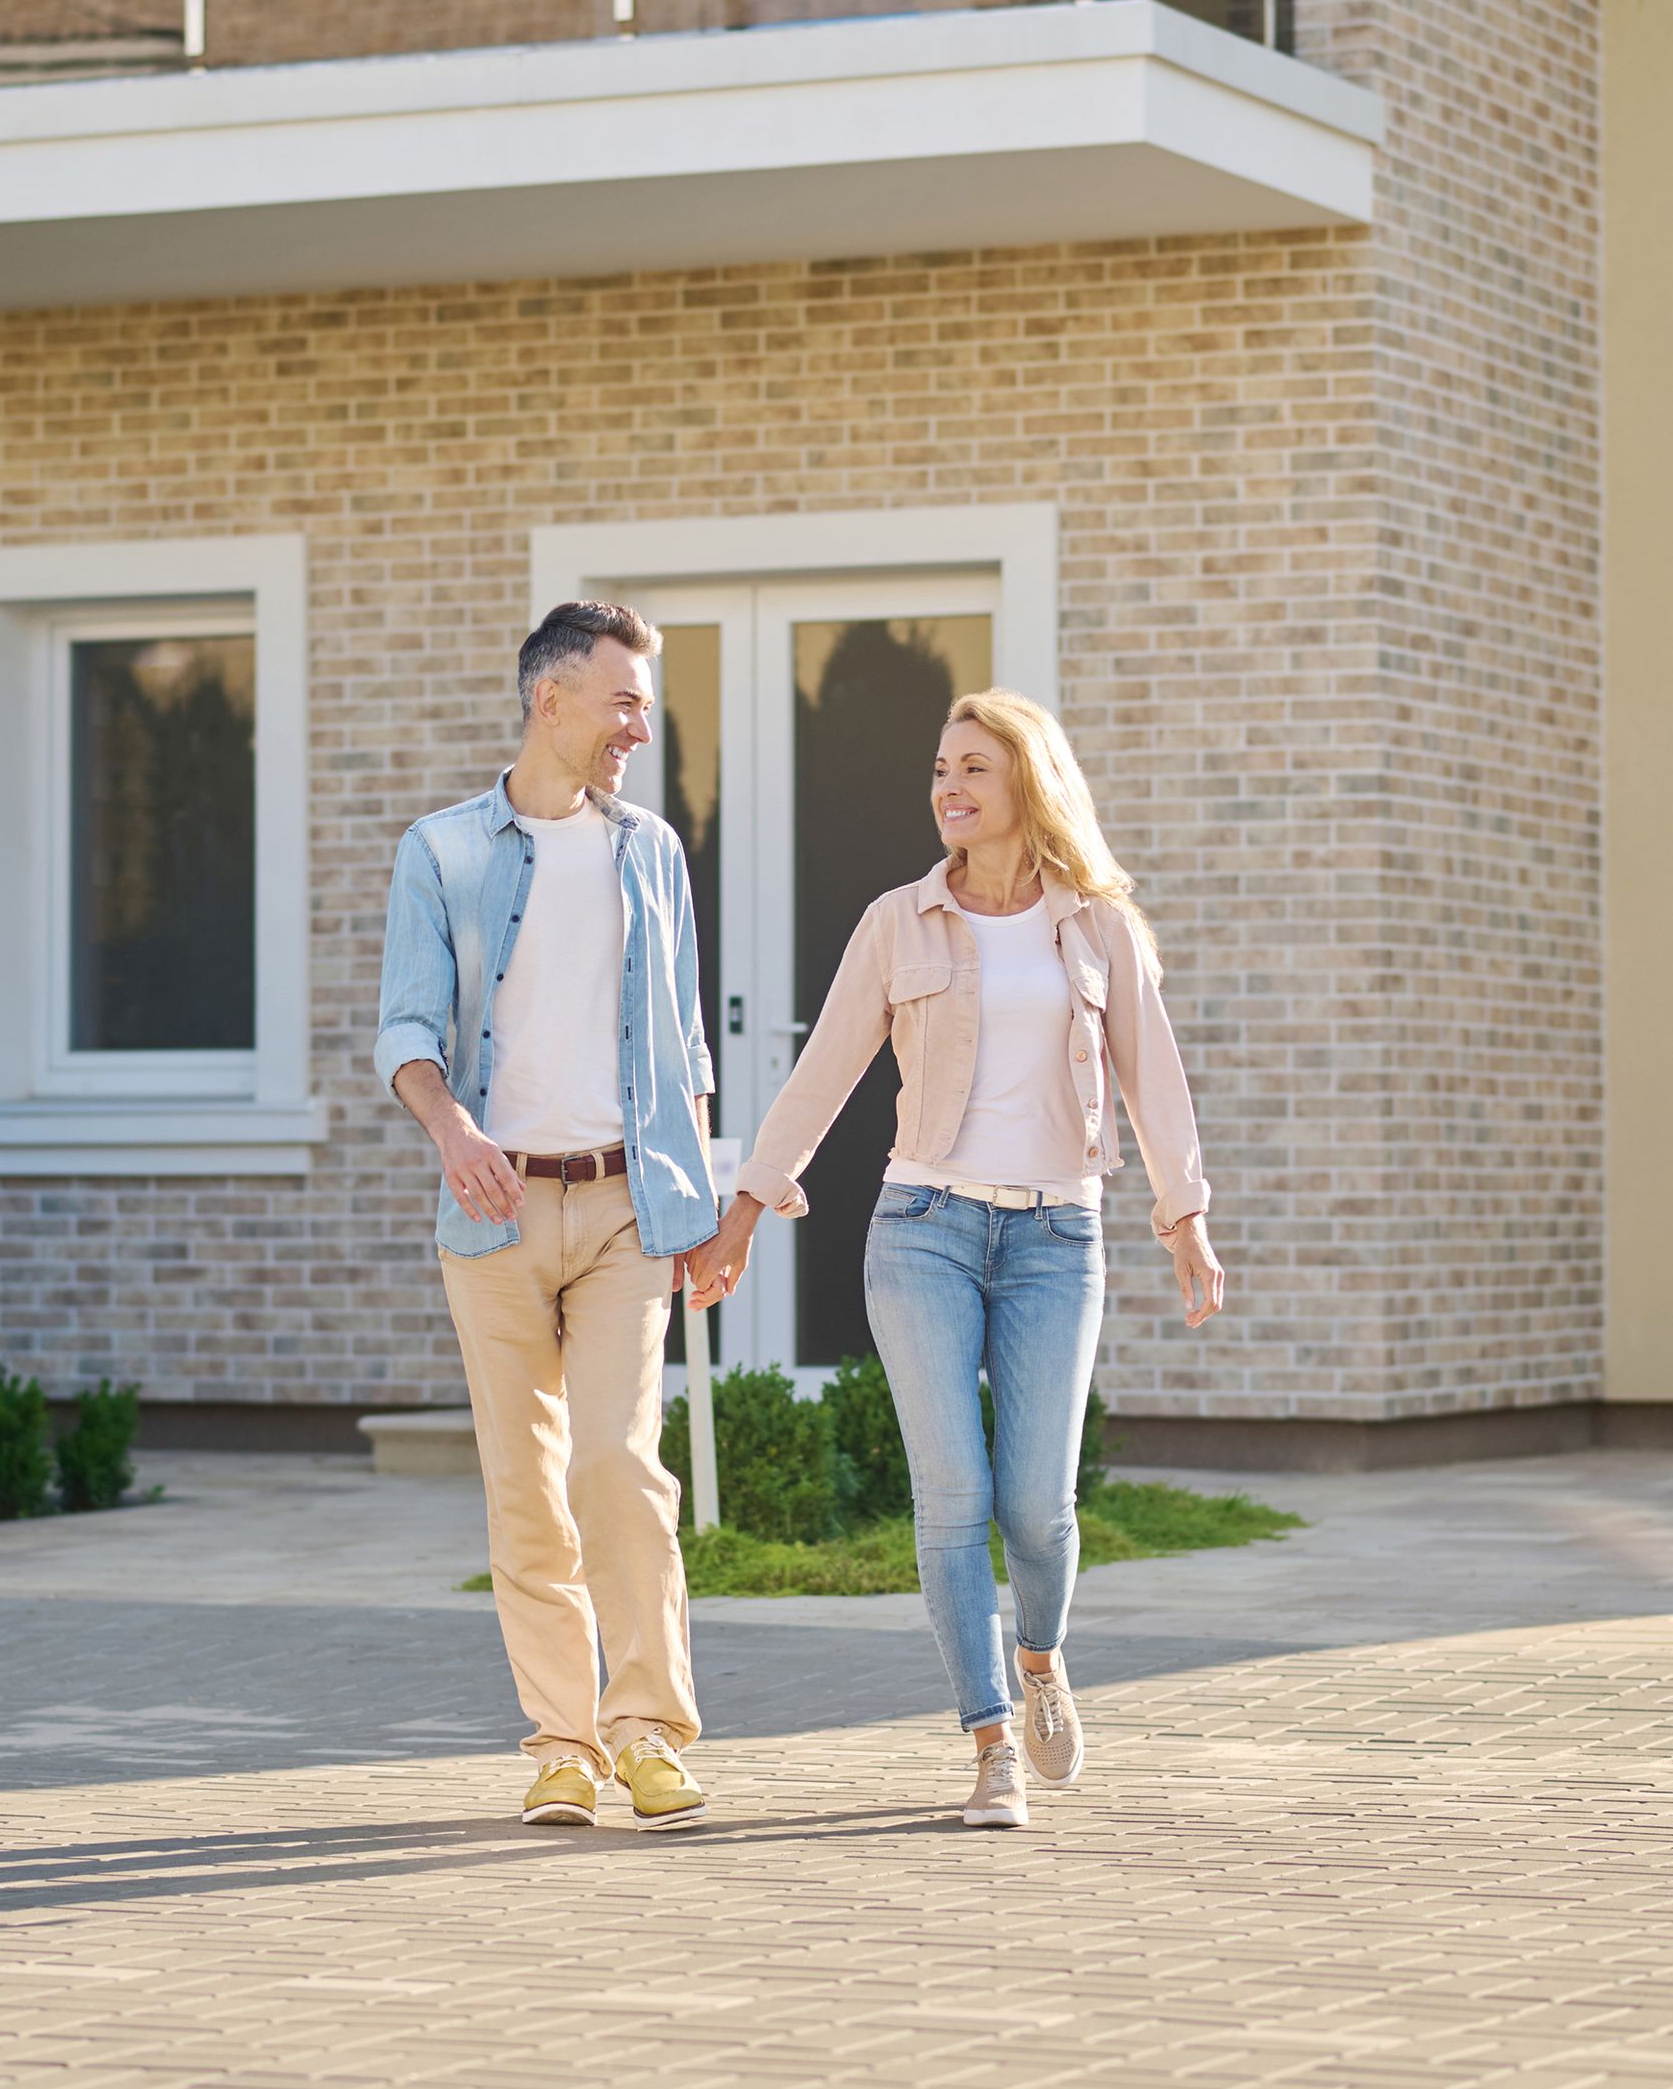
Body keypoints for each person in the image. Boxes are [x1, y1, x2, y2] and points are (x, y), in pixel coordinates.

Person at [688, 688, 1222, 1829]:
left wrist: (1185, 1219)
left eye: (974, 768)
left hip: (1055, 1235)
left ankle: (1039, 1662)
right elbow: (823, 1072)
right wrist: (743, 1208)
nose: (949, 788)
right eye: (940, 768)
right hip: (923, 1228)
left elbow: (1154, 1080)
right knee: (953, 1497)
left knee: (1037, 1507)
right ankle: (989, 1746)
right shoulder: (899, 923)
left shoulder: (1099, 927)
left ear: (1027, 783)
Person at [374, 601, 719, 1830]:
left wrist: (705, 1210)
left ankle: (646, 1730)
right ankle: (564, 1746)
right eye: (623, 699)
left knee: (622, 1468)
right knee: (526, 1487)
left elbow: (685, 1051)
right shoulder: (445, 851)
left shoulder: (651, 853)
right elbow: (407, 1033)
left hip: (628, 1202)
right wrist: (452, 1133)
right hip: (497, 1214)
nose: (640, 724)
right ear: (550, 699)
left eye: (644, 701)